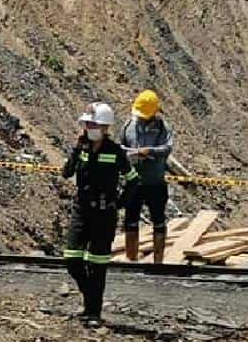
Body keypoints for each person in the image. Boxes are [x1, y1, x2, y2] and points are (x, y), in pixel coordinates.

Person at [61, 101, 139, 327]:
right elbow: (66, 173)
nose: (88, 127)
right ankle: (90, 298)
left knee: (97, 265)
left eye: (92, 123)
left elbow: (133, 181)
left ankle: (93, 311)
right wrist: (76, 151)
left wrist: (119, 203)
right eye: (87, 123)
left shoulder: (115, 153)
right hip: (81, 210)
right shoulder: (82, 148)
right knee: (72, 259)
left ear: (105, 127)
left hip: (104, 214)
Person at [120, 89, 175, 263]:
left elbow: (167, 148)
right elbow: (120, 147)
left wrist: (149, 151)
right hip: (134, 182)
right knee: (130, 220)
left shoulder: (163, 128)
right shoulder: (129, 126)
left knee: (158, 220)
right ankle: (131, 259)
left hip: (155, 183)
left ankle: (158, 261)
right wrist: (130, 154)